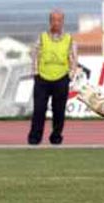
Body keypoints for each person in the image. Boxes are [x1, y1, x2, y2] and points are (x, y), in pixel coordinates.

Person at [28, 10, 77, 145]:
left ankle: (56, 137)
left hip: (61, 79)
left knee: (59, 111)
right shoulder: (42, 38)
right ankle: (34, 138)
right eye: (54, 20)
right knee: (39, 110)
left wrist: (70, 76)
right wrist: (36, 73)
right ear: (50, 22)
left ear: (63, 22)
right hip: (42, 79)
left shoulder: (69, 39)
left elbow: (73, 58)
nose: (56, 23)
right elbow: (34, 55)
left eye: (59, 20)